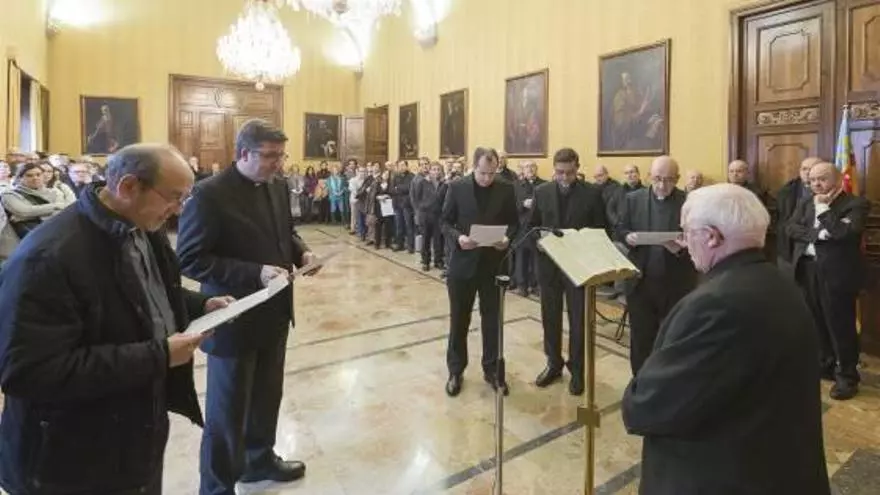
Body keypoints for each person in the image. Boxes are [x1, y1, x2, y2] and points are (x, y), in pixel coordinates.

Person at [0, 143, 234, 494]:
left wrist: (202, 305)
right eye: (173, 197)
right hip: (70, 460)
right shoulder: (48, 258)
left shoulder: (141, 224)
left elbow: (147, 292)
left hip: (132, 434)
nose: (179, 210)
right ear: (128, 187)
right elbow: (29, 372)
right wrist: (158, 356)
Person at [622, 183, 830, 495]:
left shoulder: (715, 305)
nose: (684, 242)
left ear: (711, 236)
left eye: (686, 232)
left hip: (726, 476)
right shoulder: (779, 283)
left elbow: (647, 406)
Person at [176, 119, 316, 495]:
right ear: (243, 154)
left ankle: (259, 461)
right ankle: (217, 487)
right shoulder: (209, 195)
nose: (278, 163)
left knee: (268, 397)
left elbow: (285, 232)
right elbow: (189, 258)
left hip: (276, 313)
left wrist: (302, 253)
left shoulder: (277, 185)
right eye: (269, 156)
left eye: (280, 155)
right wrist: (255, 272)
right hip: (234, 318)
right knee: (227, 412)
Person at [787, 162, 869, 401]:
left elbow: (844, 233)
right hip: (808, 269)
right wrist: (819, 234)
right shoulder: (805, 202)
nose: (816, 184)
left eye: (822, 179)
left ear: (838, 179)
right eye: (812, 180)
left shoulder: (855, 204)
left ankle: (847, 376)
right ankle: (827, 365)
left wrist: (823, 209)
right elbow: (790, 228)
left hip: (837, 274)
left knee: (840, 326)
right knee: (817, 321)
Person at [442, 146, 519, 397]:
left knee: (493, 320)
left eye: (492, 173)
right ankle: (456, 370)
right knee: (459, 320)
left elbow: (515, 222)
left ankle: (493, 370)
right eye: (483, 173)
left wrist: (507, 239)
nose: (487, 178)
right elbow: (444, 222)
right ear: (474, 167)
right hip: (462, 264)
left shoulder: (506, 188)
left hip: (493, 265)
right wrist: (459, 238)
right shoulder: (457, 187)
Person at [530, 148, 606, 395]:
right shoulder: (541, 191)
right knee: (550, 317)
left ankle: (577, 369)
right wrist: (538, 241)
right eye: (560, 172)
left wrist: (586, 242)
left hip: (578, 266)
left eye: (570, 173)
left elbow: (601, 229)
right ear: (554, 169)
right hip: (549, 266)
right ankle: (553, 363)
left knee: (579, 321)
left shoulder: (592, 193)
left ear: (577, 168)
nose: (564, 178)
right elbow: (531, 227)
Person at [616, 156, 696, 375]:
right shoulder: (633, 199)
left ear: (677, 179)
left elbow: (697, 240)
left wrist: (681, 248)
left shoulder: (688, 202)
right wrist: (627, 237)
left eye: (668, 180)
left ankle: (669, 383)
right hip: (640, 283)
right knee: (641, 339)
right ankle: (640, 382)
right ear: (649, 176)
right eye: (657, 179)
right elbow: (620, 228)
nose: (662, 185)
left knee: (673, 340)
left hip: (677, 284)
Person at [776, 157, 821, 277]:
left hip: (816, 251)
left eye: (811, 169)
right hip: (788, 248)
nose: (807, 172)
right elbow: (784, 222)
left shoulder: (828, 193)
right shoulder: (786, 191)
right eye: (804, 169)